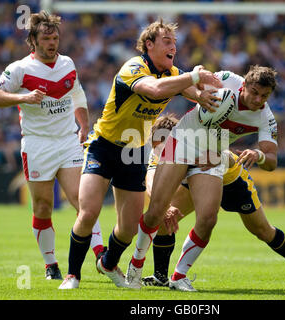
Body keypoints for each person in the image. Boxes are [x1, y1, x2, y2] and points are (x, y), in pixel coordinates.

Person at [126, 65, 285, 291]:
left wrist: (257, 154)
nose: (258, 99)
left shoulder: (265, 117)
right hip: (185, 142)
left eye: (265, 96)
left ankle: (178, 276)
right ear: (244, 86)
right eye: (255, 93)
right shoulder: (226, 81)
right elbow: (188, 84)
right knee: (158, 212)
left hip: (215, 158)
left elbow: (271, 161)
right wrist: (198, 87)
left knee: (212, 220)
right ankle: (136, 266)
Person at [58, 19, 222, 289]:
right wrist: (193, 77)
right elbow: (156, 89)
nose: (173, 47)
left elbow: (196, 92)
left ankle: (108, 263)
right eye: (167, 42)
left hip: (133, 152)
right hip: (104, 146)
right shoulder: (133, 67)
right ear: (149, 44)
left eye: (175, 43)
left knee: (129, 228)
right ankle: (72, 275)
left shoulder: (173, 73)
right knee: (88, 212)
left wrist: (209, 94)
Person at [0, 11, 104, 280]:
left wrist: (83, 125)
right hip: (37, 144)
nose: (52, 43)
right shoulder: (20, 69)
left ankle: (101, 255)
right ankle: (51, 264)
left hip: (67, 141)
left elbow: (77, 93)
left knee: (83, 201)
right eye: (46, 38)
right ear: (33, 41)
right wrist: (24, 98)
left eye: (55, 37)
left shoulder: (68, 63)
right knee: (42, 207)